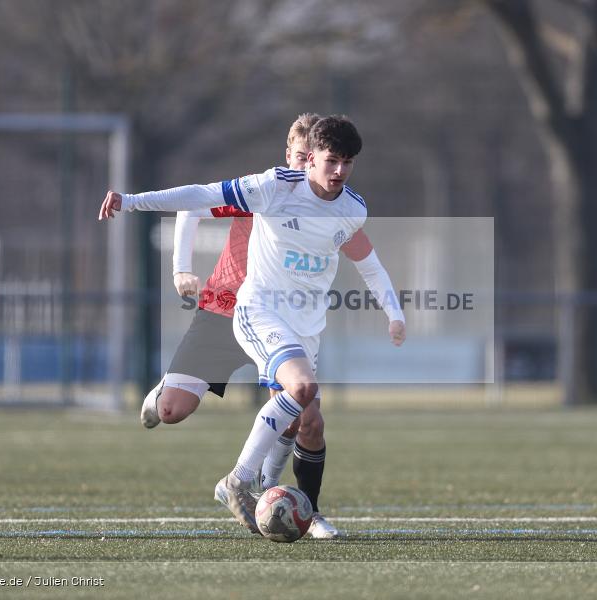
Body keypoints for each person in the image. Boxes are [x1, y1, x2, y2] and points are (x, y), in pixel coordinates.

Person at [99, 115, 406, 535]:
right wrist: (143, 218)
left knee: (307, 418)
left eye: (345, 163)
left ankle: (287, 500)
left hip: (301, 327)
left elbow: (365, 259)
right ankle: (239, 479)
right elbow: (196, 200)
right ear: (300, 156)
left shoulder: (351, 209)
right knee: (179, 410)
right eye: (318, 160)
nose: (333, 171)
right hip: (235, 309)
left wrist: (394, 312)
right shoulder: (268, 188)